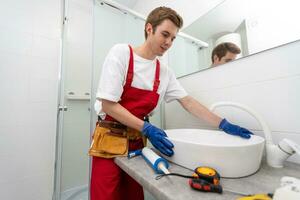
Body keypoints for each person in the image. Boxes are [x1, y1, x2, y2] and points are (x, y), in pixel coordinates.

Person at [90, 7, 252, 200]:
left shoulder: (164, 72)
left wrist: (223, 124)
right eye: (165, 34)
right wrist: (147, 128)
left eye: (173, 38)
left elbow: (188, 102)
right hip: (109, 138)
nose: (168, 43)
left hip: (136, 142)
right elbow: (108, 105)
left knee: (133, 195)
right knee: (106, 195)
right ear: (149, 29)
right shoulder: (122, 53)